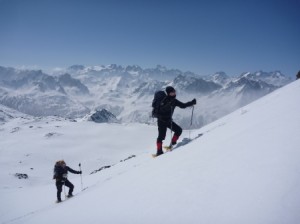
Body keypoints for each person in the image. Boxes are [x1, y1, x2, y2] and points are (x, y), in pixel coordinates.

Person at [154, 86, 196, 156]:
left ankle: (172, 144)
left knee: (179, 130)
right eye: (172, 92)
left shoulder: (174, 101)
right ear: (168, 93)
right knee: (161, 137)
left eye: (174, 92)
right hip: (161, 121)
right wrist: (168, 105)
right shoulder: (164, 100)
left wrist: (191, 103)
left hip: (168, 120)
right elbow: (161, 109)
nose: (174, 93)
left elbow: (183, 105)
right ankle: (159, 152)